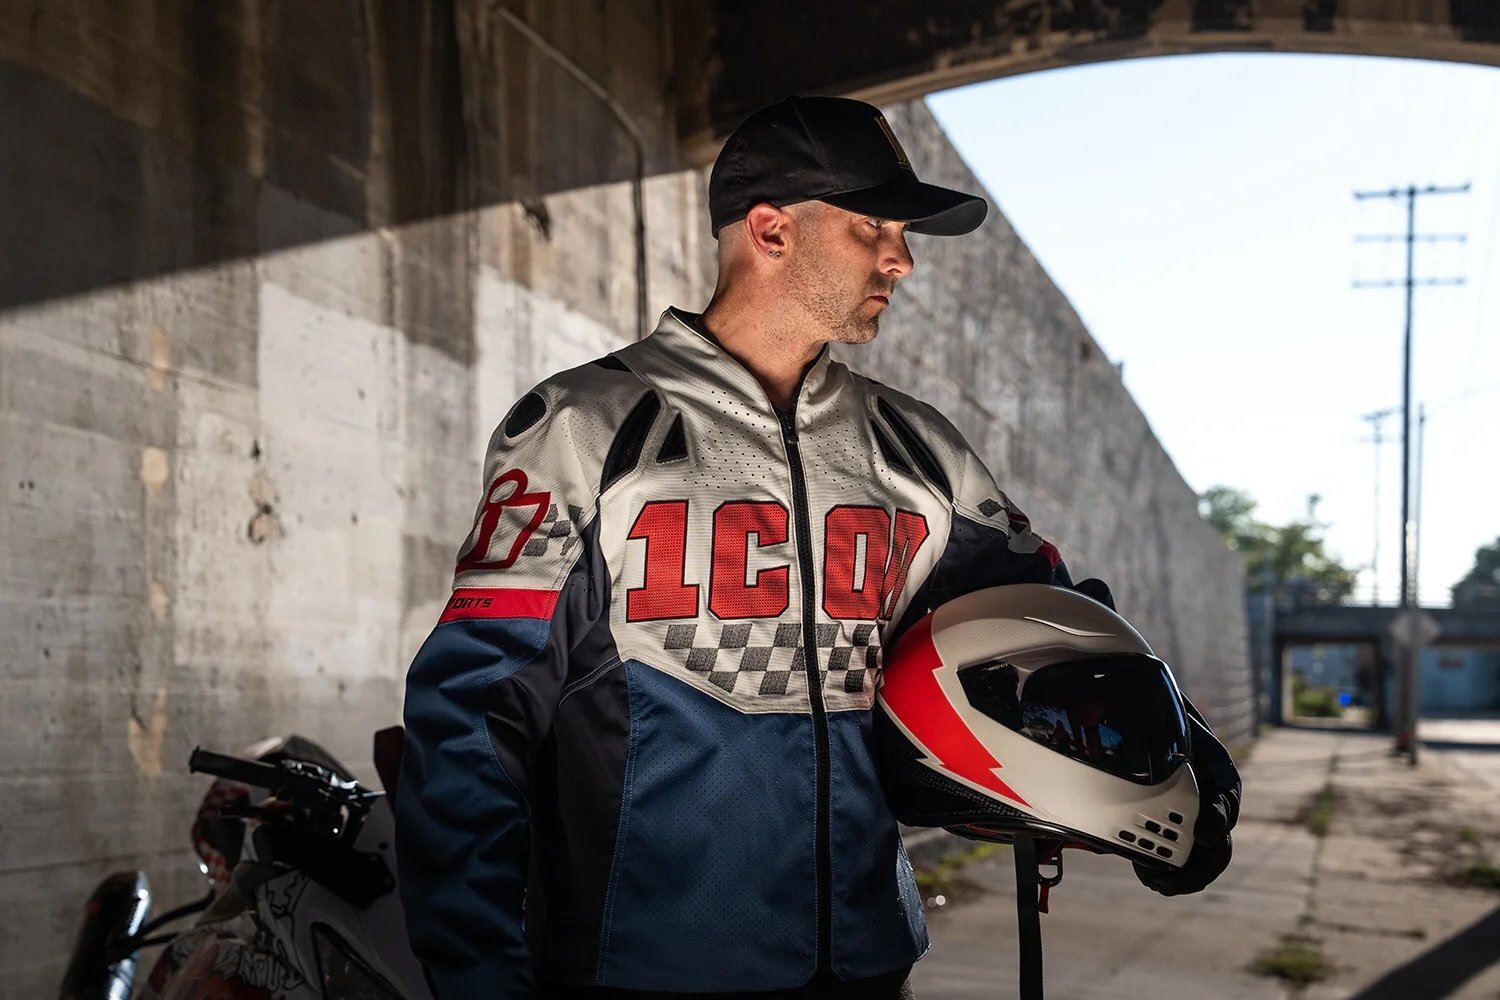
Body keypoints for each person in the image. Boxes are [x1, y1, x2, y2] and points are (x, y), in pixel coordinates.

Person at [395, 95, 1238, 999]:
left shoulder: (918, 450)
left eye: (901, 233)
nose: (901, 259)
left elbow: (1058, 625)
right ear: (770, 230)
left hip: (871, 963)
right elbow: (472, 716)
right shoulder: (583, 428)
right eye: (872, 226)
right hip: (647, 970)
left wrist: (1183, 767)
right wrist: (478, 974)